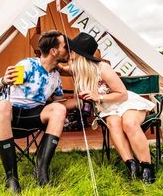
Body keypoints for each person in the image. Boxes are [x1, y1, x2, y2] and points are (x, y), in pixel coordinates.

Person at [63, 32, 156, 183]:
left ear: (80, 54)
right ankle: (131, 165)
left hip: (126, 102)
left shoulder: (102, 68)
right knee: (114, 123)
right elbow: (61, 68)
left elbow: (122, 94)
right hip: (108, 108)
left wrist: (98, 97)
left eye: (72, 50)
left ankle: (147, 167)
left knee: (129, 124)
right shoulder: (78, 69)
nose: (69, 53)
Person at [0, 30, 69, 193]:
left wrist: (84, 100)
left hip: (34, 115)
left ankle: (41, 171)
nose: (69, 50)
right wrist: (3, 80)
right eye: (65, 46)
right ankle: (11, 178)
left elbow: (60, 102)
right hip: (10, 114)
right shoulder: (28, 65)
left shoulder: (55, 76)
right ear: (54, 51)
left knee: (59, 109)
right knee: (3, 105)